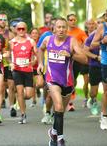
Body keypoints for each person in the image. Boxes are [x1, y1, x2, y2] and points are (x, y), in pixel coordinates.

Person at [37, 17, 87, 146]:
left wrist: (71, 54)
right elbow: (40, 49)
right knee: (58, 106)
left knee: (61, 111)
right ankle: (60, 139)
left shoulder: (72, 41)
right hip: (52, 79)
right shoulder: (48, 39)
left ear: (67, 29)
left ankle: (53, 132)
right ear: (53, 29)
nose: (61, 29)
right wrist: (41, 64)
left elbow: (84, 59)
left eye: (64, 27)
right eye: (59, 27)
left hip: (67, 81)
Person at [10, 22, 37, 124]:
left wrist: (34, 61)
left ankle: (20, 99)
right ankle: (23, 114)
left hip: (28, 70)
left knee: (29, 94)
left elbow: (35, 54)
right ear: (16, 30)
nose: (21, 31)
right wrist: (10, 63)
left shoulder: (31, 41)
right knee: (20, 91)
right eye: (19, 29)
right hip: (17, 70)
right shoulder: (12, 42)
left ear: (26, 29)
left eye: (23, 29)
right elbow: (8, 55)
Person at [91, 8, 107, 130]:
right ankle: (104, 116)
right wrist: (102, 41)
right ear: (106, 17)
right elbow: (92, 44)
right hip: (106, 63)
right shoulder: (102, 27)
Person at [66, 13, 88, 111]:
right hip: (65, 58)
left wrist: (81, 48)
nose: (73, 21)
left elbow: (87, 42)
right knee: (67, 79)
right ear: (67, 21)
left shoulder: (80, 32)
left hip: (76, 59)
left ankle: (70, 97)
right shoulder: (64, 31)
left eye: (74, 20)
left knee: (73, 80)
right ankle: (68, 102)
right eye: (70, 20)